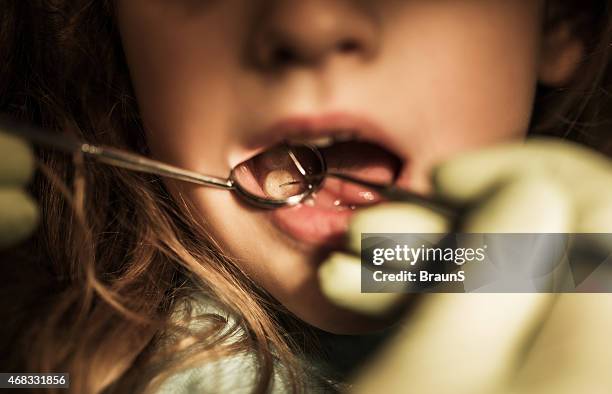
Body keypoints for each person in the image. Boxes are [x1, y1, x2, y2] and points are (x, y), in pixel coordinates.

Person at [0, 1, 611, 393]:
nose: (308, 23)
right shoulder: (48, 369)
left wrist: (588, 268)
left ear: (562, 18)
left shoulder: (583, 268)